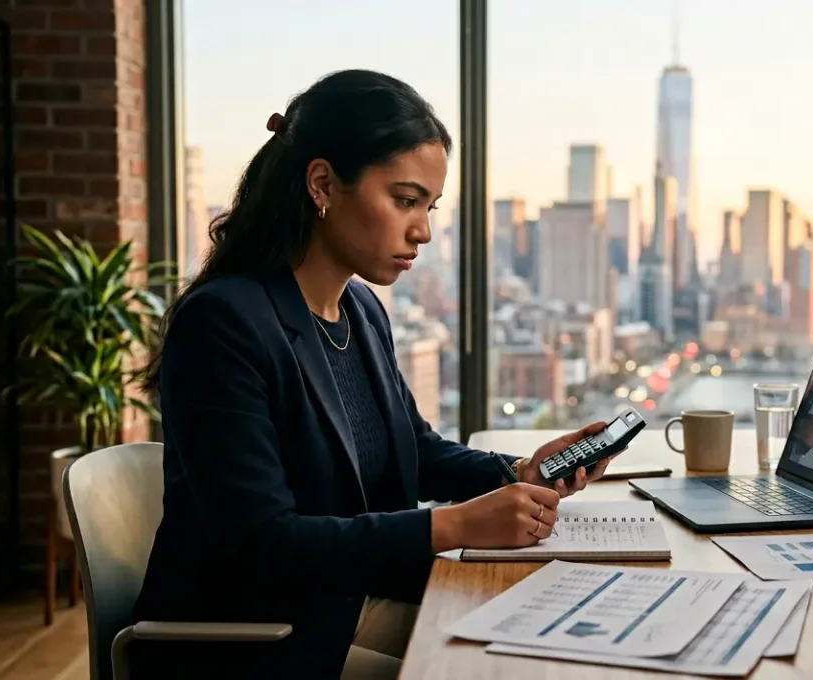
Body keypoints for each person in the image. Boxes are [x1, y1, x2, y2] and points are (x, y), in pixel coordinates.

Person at [131, 69, 620, 680]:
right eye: (405, 200)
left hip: (345, 603)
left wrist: (518, 472)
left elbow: (415, 449)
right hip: (256, 640)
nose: (423, 231)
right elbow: (263, 543)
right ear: (322, 184)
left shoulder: (360, 310)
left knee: (558, 638)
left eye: (429, 207)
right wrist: (455, 524)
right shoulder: (223, 323)